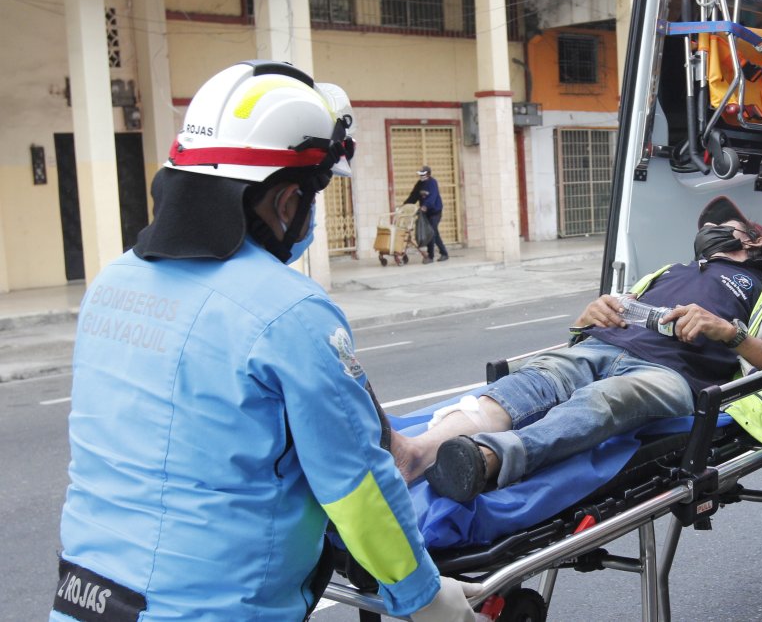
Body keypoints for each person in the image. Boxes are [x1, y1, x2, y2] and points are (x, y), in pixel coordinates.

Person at [53, 61, 478, 622]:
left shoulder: (109, 285)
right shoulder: (290, 313)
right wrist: (424, 598)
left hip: (84, 601)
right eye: (312, 199)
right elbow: (356, 487)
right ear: (285, 202)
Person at [391, 196, 762, 503]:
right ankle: (416, 453)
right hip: (602, 344)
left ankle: (487, 460)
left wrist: (728, 333)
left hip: (673, 374)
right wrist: (590, 314)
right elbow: (602, 316)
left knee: (601, 403)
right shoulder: (672, 270)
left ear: (756, 242)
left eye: (729, 226)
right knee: (527, 385)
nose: (711, 230)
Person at [404, 165, 449, 263]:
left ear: (428, 174)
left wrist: (425, 206)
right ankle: (443, 253)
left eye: (423, 174)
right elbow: (413, 196)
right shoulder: (420, 183)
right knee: (432, 233)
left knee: (431, 233)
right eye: (420, 174)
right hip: (425, 213)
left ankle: (431, 256)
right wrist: (405, 205)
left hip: (435, 212)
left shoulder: (432, 183)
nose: (421, 176)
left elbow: (432, 197)